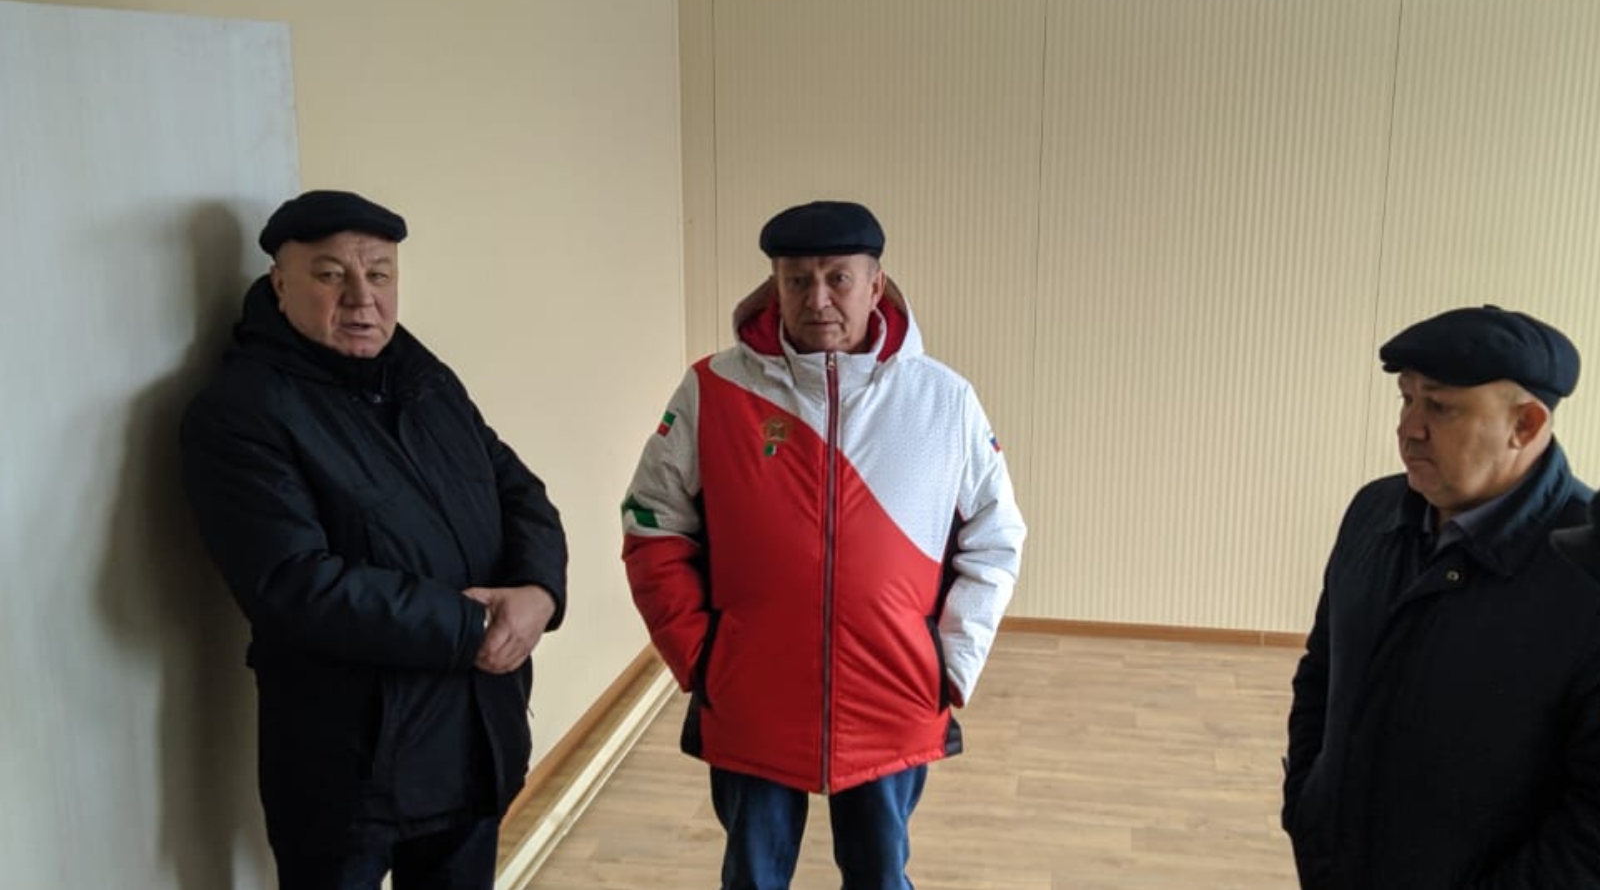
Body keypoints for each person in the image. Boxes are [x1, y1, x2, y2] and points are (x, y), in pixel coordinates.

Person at [620, 200, 1026, 890]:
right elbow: (651, 521)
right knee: (752, 878)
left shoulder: (943, 399)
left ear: (875, 283)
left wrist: (951, 662)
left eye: (838, 278)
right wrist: (700, 655)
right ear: (775, 286)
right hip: (752, 698)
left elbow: (996, 535)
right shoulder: (714, 390)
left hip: (891, 698)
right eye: (797, 280)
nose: (818, 299)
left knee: (880, 876)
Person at [180, 190, 567, 890]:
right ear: (280, 284)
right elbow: (293, 584)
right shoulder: (241, 413)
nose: (362, 298)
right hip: (349, 768)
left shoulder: (425, 379)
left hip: (472, 735)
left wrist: (540, 590)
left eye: (380, 273)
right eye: (331, 274)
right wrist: (474, 626)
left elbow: (518, 490)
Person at [1282, 305, 1600, 889]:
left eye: (1440, 407)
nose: (1408, 428)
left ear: (1525, 424)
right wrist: (1306, 804)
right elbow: (1322, 669)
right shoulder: (1373, 511)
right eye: (1406, 399)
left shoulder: (1588, 572)